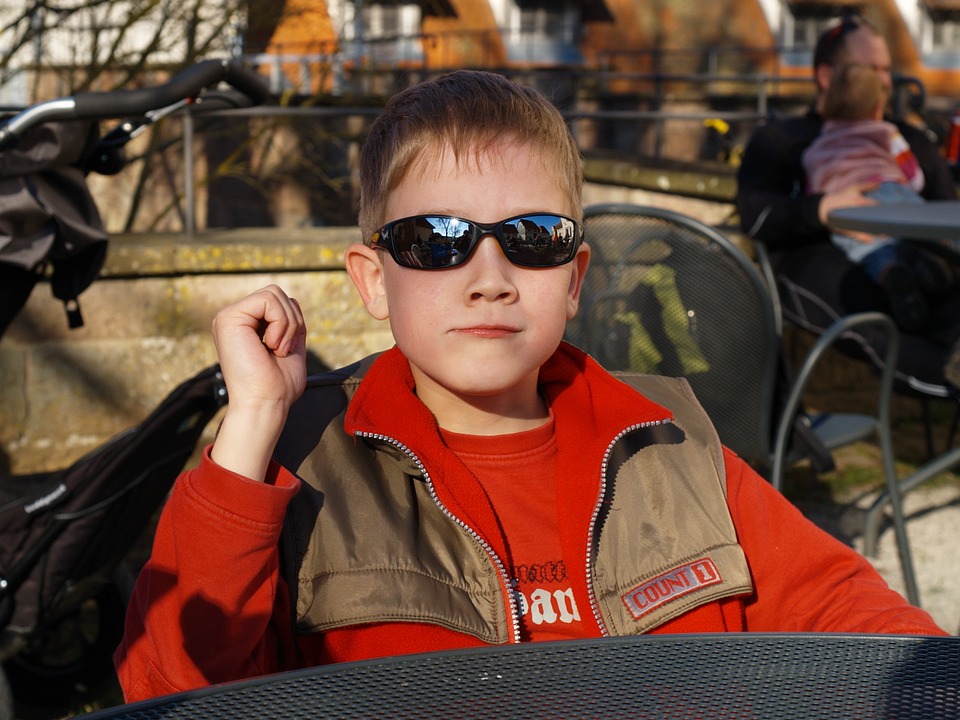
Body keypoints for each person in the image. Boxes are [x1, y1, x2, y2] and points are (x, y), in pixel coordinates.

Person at [114, 69, 945, 704]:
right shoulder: (303, 473)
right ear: (372, 279)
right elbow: (171, 691)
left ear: (574, 278)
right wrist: (254, 423)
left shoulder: (671, 444)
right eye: (436, 239)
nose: (490, 278)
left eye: (533, 238)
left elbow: (858, 625)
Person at [736, 14, 960, 388]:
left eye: (887, 69)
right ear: (827, 76)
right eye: (872, 69)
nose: (885, 81)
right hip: (825, 262)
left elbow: (945, 209)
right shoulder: (784, 139)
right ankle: (945, 371)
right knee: (873, 312)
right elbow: (755, 213)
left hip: (920, 262)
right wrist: (822, 208)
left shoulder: (907, 138)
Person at [801, 61, 955, 333]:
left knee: (870, 250)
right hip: (892, 190)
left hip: (852, 205)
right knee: (920, 234)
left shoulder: (814, 149)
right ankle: (928, 259)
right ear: (878, 107)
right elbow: (914, 176)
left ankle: (889, 273)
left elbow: (814, 193)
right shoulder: (885, 132)